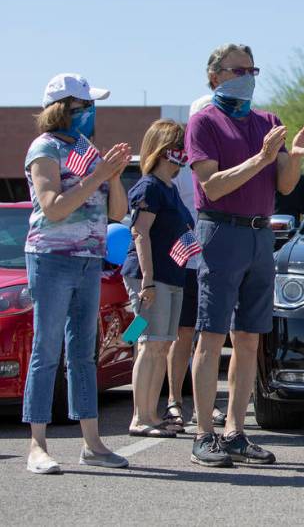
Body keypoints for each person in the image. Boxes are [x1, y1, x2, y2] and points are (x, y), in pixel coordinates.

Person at [185, 43, 304, 467]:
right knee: (211, 335)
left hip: (261, 236)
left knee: (249, 338)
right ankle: (205, 434)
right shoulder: (203, 122)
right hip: (220, 232)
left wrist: (292, 160)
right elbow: (213, 186)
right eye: (238, 69)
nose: (248, 75)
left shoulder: (268, 121)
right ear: (215, 77)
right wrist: (260, 157)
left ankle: (236, 432)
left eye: (252, 68)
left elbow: (283, 186)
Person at [22, 73, 132, 474]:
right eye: (86, 106)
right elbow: (52, 207)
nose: (91, 113)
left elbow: (116, 212)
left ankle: (92, 443)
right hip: (51, 259)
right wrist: (98, 176)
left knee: (84, 354)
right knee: (46, 351)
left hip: (89, 259)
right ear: (66, 108)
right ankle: (37, 445)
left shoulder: (86, 149)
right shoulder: (44, 148)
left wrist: (114, 176)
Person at [121, 119, 196, 437]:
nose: (184, 154)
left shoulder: (170, 188)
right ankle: (142, 417)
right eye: (179, 147)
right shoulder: (149, 186)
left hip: (172, 276)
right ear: (164, 150)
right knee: (149, 344)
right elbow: (140, 233)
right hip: (149, 278)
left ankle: (152, 414)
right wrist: (148, 280)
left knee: (162, 344)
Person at [163, 95, 226, 432]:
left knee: (210, 335)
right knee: (182, 334)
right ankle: (174, 401)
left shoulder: (224, 161)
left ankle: (209, 402)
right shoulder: (179, 166)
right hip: (185, 263)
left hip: (217, 260)